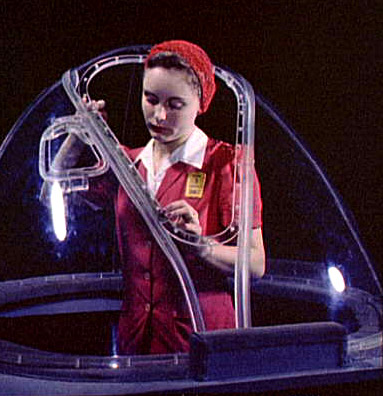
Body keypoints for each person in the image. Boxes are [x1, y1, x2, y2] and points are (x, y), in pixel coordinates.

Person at [65, 40, 265, 354]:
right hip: (136, 339)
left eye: (175, 104)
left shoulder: (228, 164)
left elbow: (256, 264)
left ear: (200, 103)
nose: (159, 115)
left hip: (202, 338)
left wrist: (201, 245)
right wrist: (78, 134)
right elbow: (59, 192)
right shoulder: (127, 164)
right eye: (151, 99)